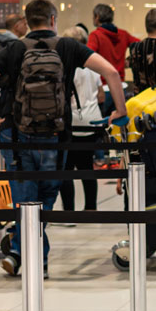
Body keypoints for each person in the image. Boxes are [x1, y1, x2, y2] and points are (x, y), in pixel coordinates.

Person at [0, 0, 126, 276]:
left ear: (27, 22)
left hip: (16, 132)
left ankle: (21, 252)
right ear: (53, 20)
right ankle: (32, 256)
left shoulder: (13, 49)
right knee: (46, 195)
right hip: (56, 133)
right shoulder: (68, 47)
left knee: (24, 196)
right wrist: (119, 112)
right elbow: (112, 72)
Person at [58, 26, 107, 218]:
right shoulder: (92, 66)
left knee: (66, 170)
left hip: (71, 122)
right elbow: (101, 96)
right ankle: (91, 208)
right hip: (91, 120)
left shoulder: (65, 66)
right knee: (87, 167)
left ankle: (68, 212)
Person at [89, 3, 138, 81]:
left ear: (97, 17)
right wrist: (129, 61)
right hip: (120, 83)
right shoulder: (123, 34)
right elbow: (141, 46)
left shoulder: (95, 36)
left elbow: (88, 57)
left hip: (103, 83)